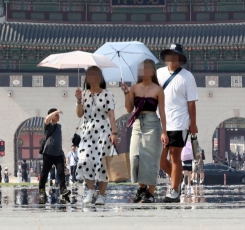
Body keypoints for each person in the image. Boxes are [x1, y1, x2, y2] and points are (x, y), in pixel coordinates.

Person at [121, 59, 168, 203]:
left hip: (152, 123)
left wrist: (164, 132)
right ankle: (141, 188)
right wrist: (126, 92)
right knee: (135, 157)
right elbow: (129, 109)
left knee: (151, 158)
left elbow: (162, 111)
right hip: (137, 123)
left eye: (147, 69)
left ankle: (151, 193)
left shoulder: (158, 89)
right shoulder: (134, 88)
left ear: (153, 71)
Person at [157, 43, 199, 203]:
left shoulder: (187, 77)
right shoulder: (159, 73)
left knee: (175, 157)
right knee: (160, 160)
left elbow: (191, 103)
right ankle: (178, 177)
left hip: (179, 122)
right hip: (161, 123)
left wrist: (193, 123)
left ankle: (174, 191)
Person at [74, 66, 118, 206]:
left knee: (103, 163)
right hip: (87, 131)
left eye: (95, 75)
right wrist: (79, 100)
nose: (92, 77)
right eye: (90, 75)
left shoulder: (107, 94)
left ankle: (101, 195)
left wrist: (114, 132)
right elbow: (79, 114)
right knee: (84, 160)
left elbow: (111, 115)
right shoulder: (84, 94)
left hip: (103, 130)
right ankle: (91, 190)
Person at [38, 109, 71, 204]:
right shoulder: (48, 125)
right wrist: (56, 112)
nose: (58, 116)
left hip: (59, 153)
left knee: (61, 172)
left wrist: (63, 155)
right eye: (56, 115)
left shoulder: (59, 126)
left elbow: (59, 141)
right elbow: (47, 119)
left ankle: (63, 189)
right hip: (48, 153)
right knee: (45, 172)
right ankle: (41, 189)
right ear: (52, 116)